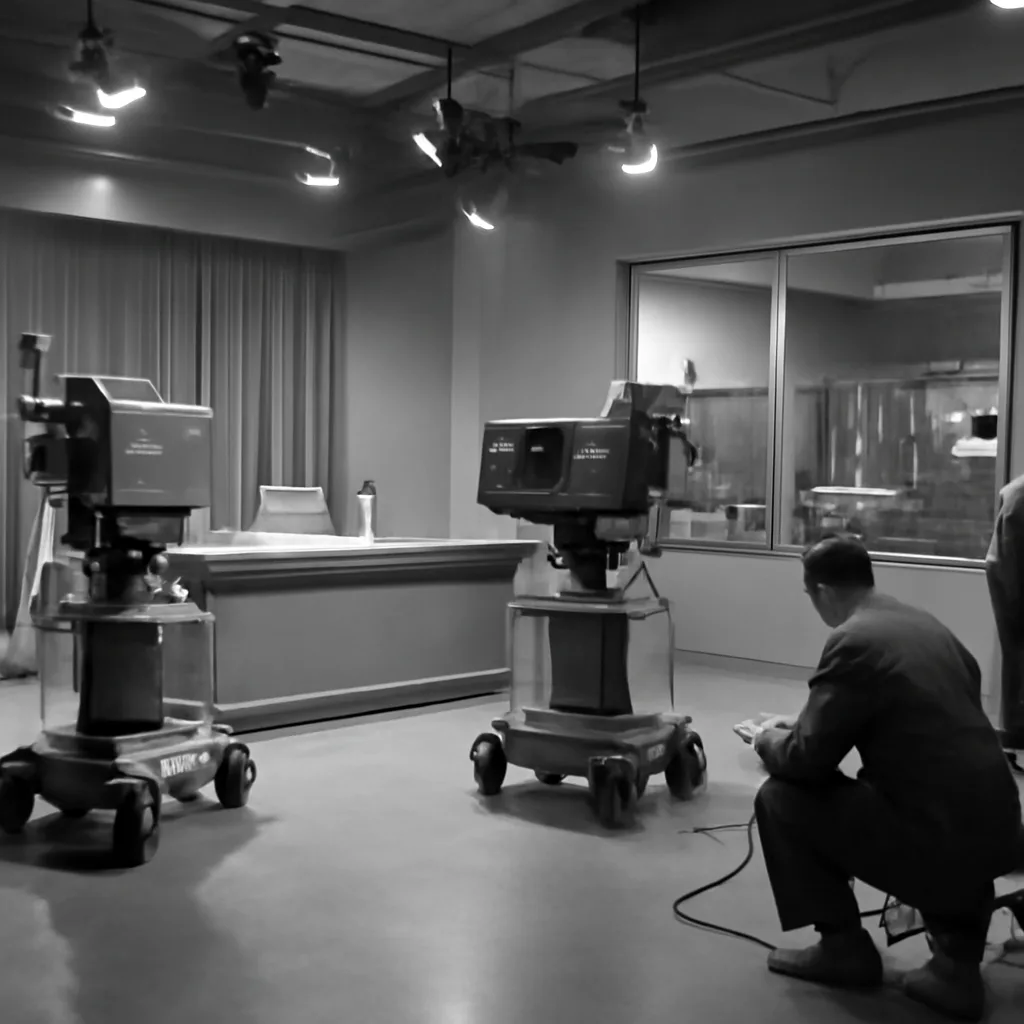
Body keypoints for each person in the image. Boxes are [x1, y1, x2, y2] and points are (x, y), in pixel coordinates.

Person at [747, 535, 1022, 1022]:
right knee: (938, 798)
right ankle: (954, 968)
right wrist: (805, 720)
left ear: (822, 591)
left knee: (780, 797)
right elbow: (917, 718)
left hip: (938, 839)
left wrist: (766, 739)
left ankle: (843, 950)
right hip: (999, 829)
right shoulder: (923, 624)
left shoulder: (851, 639)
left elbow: (806, 760)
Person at [986, 472, 1024, 752]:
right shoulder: (1019, 498)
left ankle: (1013, 733)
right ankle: (1015, 734)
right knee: (1017, 656)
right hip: (1012, 577)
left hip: (1007, 571)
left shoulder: (1017, 491)